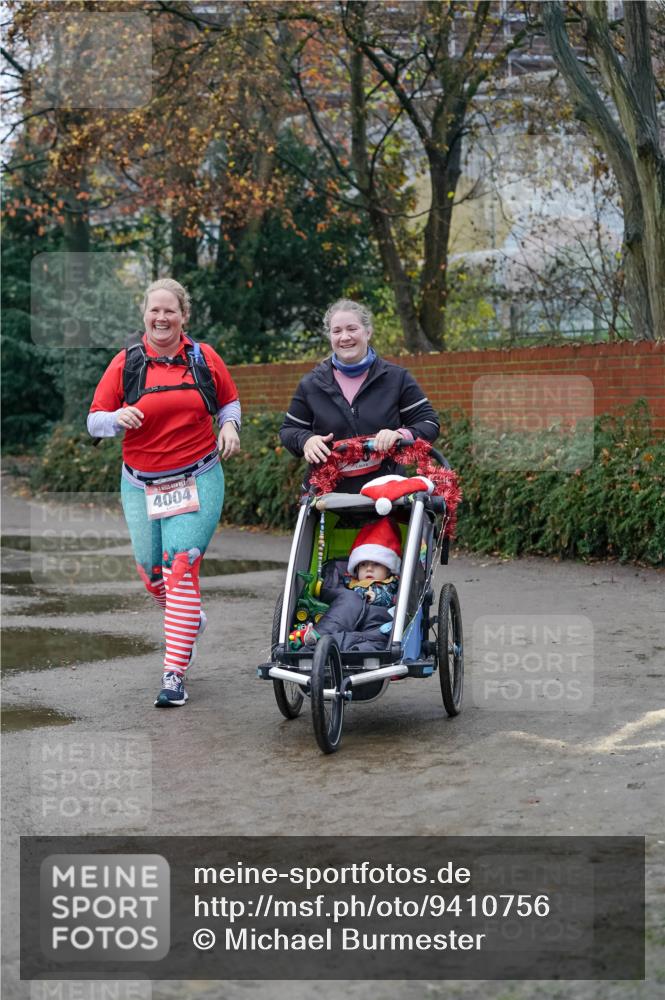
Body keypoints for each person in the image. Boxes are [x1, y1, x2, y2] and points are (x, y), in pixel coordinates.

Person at [87, 278, 240, 708]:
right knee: (153, 576)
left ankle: (173, 674)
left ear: (183, 315)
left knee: (181, 566)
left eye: (170, 310)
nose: (161, 317)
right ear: (144, 316)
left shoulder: (203, 358)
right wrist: (117, 417)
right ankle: (190, 617)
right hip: (140, 483)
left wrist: (230, 426)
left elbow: (228, 402)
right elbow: (94, 421)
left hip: (198, 475)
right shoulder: (126, 363)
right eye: (154, 310)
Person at [279, 298, 440, 492]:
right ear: (330, 336)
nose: (344, 337)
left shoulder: (396, 378)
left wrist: (399, 435)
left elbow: (429, 423)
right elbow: (288, 431)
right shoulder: (311, 384)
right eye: (337, 331)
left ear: (368, 332)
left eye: (352, 329)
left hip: (388, 495)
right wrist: (306, 440)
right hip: (327, 498)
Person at [289, 518, 402, 653]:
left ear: (388, 569)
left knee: (367, 641)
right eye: (363, 564)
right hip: (347, 620)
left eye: (376, 564)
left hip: (377, 624)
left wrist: (377, 597)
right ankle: (316, 640)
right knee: (348, 602)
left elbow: (398, 601)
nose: (369, 569)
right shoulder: (348, 584)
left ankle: (331, 649)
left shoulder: (393, 584)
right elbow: (332, 595)